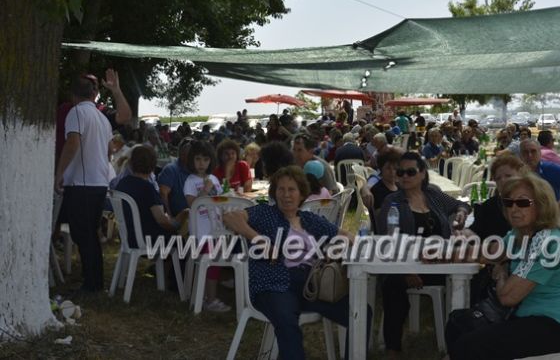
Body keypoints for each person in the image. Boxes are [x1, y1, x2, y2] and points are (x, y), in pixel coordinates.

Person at [222, 166, 367, 360]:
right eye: (281, 189)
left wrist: (337, 248)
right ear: (274, 192)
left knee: (361, 312)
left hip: (311, 285)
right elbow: (230, 217)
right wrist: (257, 238)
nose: (286, 195)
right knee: (287, 322)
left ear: (301, 194)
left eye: (292, 190)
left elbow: (347, 236)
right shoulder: (265, 213)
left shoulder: (310, 219)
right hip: (273, 284)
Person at [446, 173, 560, 360]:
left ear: (541, 205)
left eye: (523, 203)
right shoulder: (519, 233)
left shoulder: (549, 242)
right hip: (524, 314)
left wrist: (501, 273)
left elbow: (507, 297)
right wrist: (441, 254)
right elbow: (486, 253)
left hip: (552, 324)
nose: (514, 209)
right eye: (509, 203)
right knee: (457, 323)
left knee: (469, 346)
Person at [375, 152, 470, 356]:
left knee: (470, 280)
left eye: (411, 172)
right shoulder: (392, 202)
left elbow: (461, 204)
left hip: (440, 264)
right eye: (401, 173)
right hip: (405, 265)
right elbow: (387, 240)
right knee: (392, 285)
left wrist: (460, 214)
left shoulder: (433, 194)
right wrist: (408, 271)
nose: (405, 177)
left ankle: (459, 344)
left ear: (422, 173)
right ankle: (393, 348)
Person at [54, 74, 114, 292]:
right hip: (99, 181)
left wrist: (59, 172)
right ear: (93, 94)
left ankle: (92, 283)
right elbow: (110, 150)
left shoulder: (77, 112)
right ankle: (93, 280)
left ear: (73, 95)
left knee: (83, 234)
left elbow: (72, 143)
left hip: (82, 183)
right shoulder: (102, 118)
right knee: (90, 233)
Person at [182, 140, 229, 312]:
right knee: (210, 263)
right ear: (191, 161)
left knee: (215, 264)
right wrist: (205, 190)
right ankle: (209, 299)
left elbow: (221, 201)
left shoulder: (214, 179)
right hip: (201, 233)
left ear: (211, 161)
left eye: (205, 159)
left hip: (216, 230)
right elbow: (193, 205)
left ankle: (205, 296)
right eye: (198, 159)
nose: (201, 163)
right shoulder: (190, 181)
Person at [115, 146, 188, 248]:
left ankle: (163, 264)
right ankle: (172, 264)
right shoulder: (147, 188)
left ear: (131, 164)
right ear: (153, 166)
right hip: (148, 240)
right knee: (183, 244)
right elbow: (162, 221)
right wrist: (179, 221)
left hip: (127, 237)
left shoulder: (122, 183)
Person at [158, 138, 193, 216]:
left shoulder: (198, 170)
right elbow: (163, 194)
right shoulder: (171, 170)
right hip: (180, 217)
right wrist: (170, 218)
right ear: (181, 155)